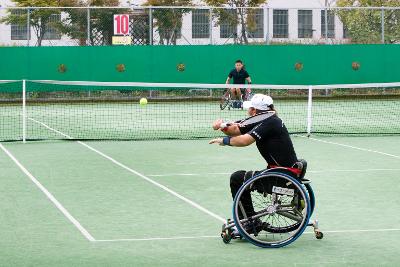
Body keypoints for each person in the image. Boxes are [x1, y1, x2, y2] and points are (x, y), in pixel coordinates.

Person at [209, 94, 298, 224]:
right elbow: (236, 129)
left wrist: (224, 140)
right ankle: (248, 220)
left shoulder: (270, 122)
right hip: (282, 172)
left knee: (237, 178)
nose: (248, 110)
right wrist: (222, 127)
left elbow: (245, 140)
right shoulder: (264, 119)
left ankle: (249, 223)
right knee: (240, 177)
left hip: (282, 177)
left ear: (254, 111)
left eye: (249, 108)